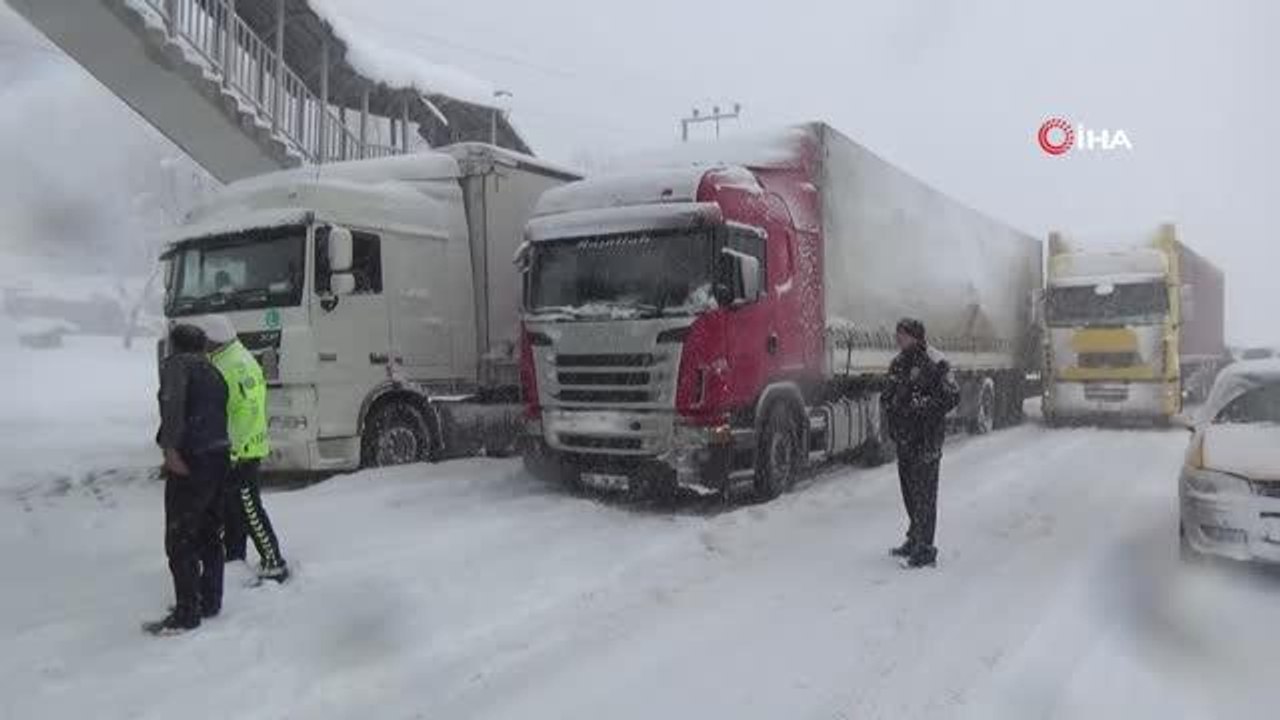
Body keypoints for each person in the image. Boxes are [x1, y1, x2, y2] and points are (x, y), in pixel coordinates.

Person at [146, 324, 230, 634]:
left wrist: (170, 450)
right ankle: (210, 599)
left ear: (175, 346)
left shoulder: (177, 366)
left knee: (180, 538)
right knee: (209, 532)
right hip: (219, 455)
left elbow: (173, 406)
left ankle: (187, 612)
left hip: (192, 459)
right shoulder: (213, 371)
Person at [197, 315, 290, 583]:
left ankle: (274, 561)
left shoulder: (233, 366)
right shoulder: (231, 358)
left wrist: (236, 450)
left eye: (204, 341)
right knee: (233, 508)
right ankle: (234, 559)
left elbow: (246, 411)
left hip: (242, 451)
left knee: (249, 508)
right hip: (238, 448)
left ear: (213, 341)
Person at [881, 318, 960, 569]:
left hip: (926, 439)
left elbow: (951, 396)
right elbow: (889, 393)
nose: (898, 339)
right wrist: (891, 406)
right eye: (898, 335)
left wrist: (922, 406)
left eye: (903, 335)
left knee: (925, 494)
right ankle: (914, 537)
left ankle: (926, 548)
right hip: (905, 439)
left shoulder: (935, 362)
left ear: (916, 337)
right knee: (910, 493)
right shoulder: (898, 363)